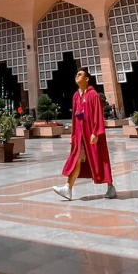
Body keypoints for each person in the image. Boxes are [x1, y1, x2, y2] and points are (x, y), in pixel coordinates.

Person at [53, 68, 116, 200]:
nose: (77, 75)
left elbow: (98, 114)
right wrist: (74, 135)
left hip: (92, 133)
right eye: (76, 74)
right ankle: (68, 189)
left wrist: (96, 132)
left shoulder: (93, 95)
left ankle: (111, 187)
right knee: (77, 158)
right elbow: (75, 117)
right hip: (80, 134)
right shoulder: (76, 96)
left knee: (101, 158)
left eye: (80, 74)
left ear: (87, 79)